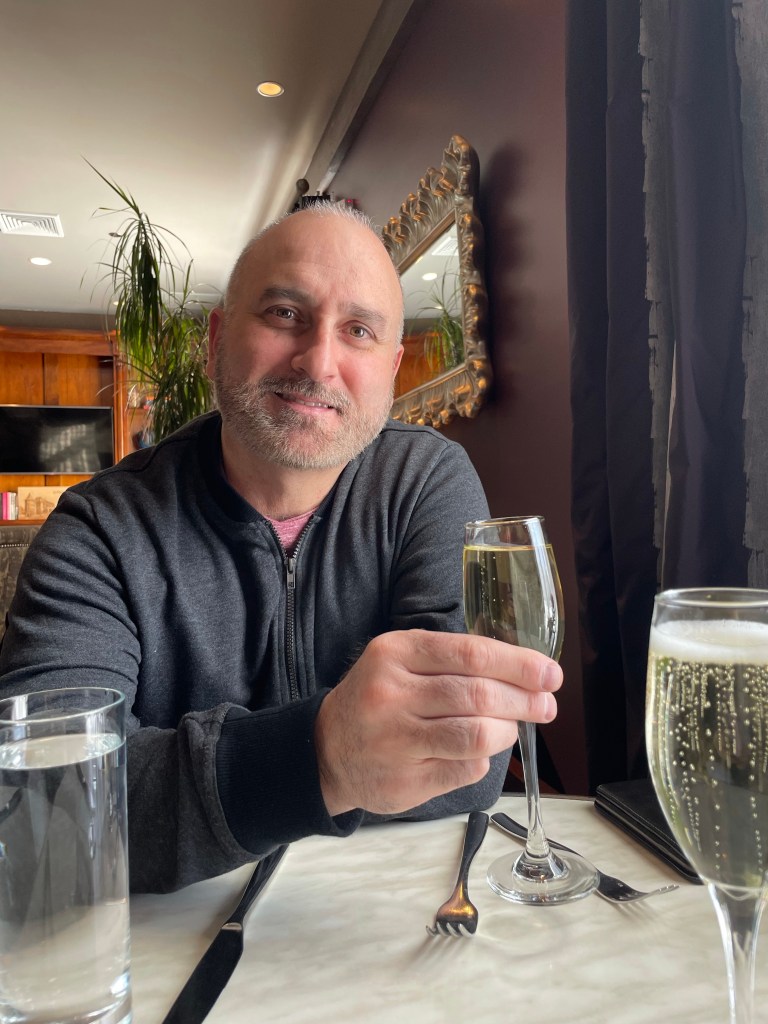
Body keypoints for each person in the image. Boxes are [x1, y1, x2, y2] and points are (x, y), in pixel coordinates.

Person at [0, 206, 562, 893]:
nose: (318, 362)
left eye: (358, 330)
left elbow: (469, 755)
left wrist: (207, 788)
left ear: (391, 369)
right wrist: (320, 758)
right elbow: (45, 810)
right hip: (171, 934)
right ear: (217, 339)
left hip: (381, 908)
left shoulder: (427, 484)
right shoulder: (100, 530)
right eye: (285, 314)